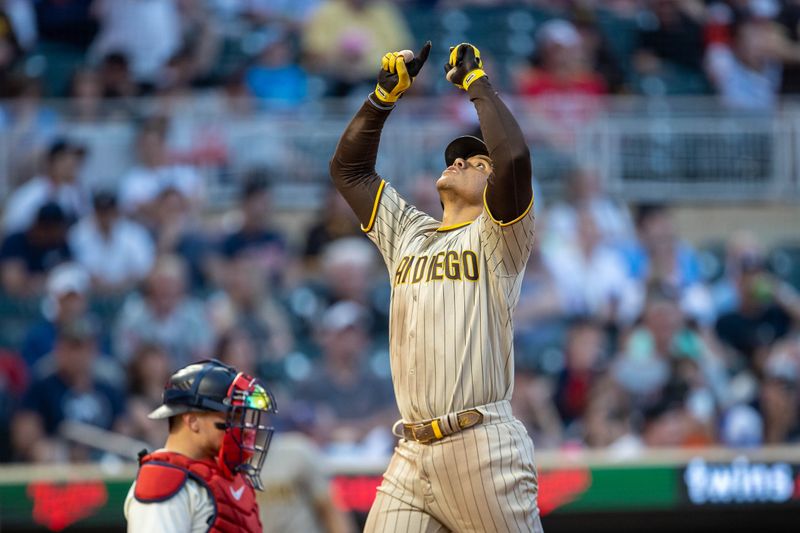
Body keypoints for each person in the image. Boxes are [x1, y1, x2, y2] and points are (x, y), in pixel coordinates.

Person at [330, 42, 543, 531]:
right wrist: (382, 98)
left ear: (493, 186)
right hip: (409, 451)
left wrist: (476, 84)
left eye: (476, 162)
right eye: (458, 157)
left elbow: (513, 157)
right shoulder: (409, 231)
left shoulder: (499, 234)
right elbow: (349, 171)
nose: (463, 161)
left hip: (481, 445)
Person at [124, 359, 277, 532]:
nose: (243, 427)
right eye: (232, 416)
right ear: (193, 421)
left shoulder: (227, 477)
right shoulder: (161, 480)